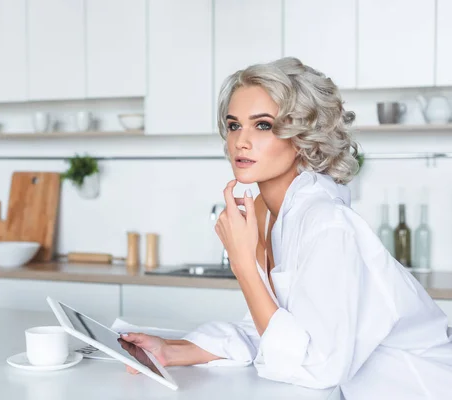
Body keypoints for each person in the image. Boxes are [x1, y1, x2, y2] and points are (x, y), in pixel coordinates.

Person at [120, 57, 452, 399]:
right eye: (234, 125)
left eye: (262, 125)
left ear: (303, 136)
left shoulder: (327, 224)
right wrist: (171, 351)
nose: (240, 142)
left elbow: (316, 367)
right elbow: (268, 329)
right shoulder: (269, 214)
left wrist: (244, 265)